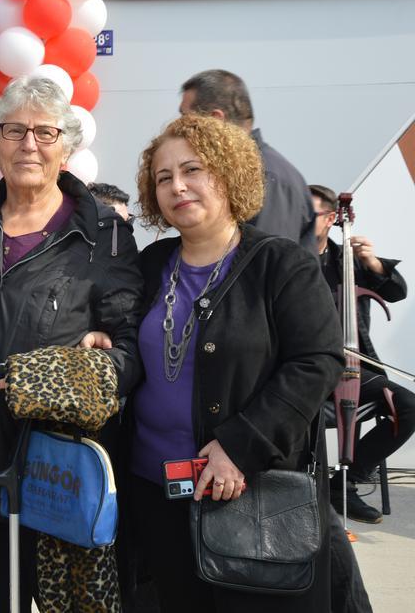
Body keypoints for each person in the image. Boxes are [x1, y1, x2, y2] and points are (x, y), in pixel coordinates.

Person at [0, 76, 143, 612]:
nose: (29, 144)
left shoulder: (105, 235)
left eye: (46, 133)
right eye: (14, 130)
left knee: (66, 606)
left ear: (66, 148)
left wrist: (55, 374)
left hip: (54, 470)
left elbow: (130, 351)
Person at [129, 114, 343, 612]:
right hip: (154, 489)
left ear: (228, 174)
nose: (177, 187)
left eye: (193, 170)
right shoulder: (150, 265)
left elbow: (317, 362)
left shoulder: (281, 264)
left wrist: (240, 446)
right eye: (163, 178)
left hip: (248, 492)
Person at [309, 183, 413, 524]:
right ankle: (302, 490)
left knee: (409, 407)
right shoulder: (282, 257)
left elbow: (396, 291)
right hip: (302, 368)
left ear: (331, 219)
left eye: (311, 213)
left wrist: (373, 263)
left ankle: (347, 481)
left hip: (351, 366)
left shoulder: (347, 260)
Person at [179, 69, 316, 253]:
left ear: (215, 119)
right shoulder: (242, 170)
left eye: (185, 117)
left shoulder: (266, 176)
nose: (180, 128)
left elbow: (267, 260)